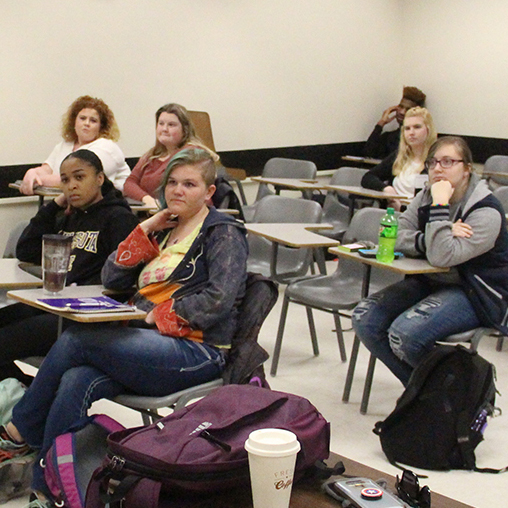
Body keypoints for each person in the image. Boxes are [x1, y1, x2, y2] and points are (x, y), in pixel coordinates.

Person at [0, 148, 248, 506]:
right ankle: (48, 487)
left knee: (78, 340)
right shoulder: (166, 229)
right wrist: (145, 227)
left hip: (196, 349)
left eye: (190, 184)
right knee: (75, 379)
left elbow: (219, 299)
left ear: (209, 192)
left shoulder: (223, 234)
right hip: (147, 344)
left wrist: (157, 314)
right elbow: (112, 276)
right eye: (173, 183)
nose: (177, 191)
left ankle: (20, 428)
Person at [352, 136, 508, 386]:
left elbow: (441, 256)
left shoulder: (485, 211)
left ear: (467, 168)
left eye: (448, 162)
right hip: (431, 281)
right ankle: (426, 394)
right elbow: (397, 236)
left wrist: (439, 206)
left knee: (404, 335)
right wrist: (435, 236)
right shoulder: (426, 193)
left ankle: (460, 391)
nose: (437, 168)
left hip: (474, 292)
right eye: (433, 162)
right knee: (364, 317)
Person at [0, 149, 139, 386]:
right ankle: (29, 390)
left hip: (86, 315)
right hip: (54, 304)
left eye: (79, 177)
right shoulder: (70, 217)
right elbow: (26, 250)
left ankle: (30, 396)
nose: (71, 186)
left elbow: (126, 278)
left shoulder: (118, 218)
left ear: (99, 179)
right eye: (65, 180)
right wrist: (54, 204)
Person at [20, 95, 131, 194]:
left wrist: (37, 180)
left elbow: (76, 180)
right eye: (82, 118)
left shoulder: (107, 148)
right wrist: (32, 172)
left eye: (93, 121)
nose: (86, 123)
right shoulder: (64, 145)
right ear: (74, 122)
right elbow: (46, 169)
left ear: (101, 127)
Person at [123, 103, 218, 209]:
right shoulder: (151, 155)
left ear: (184, 129)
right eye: (161, 124)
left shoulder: (192, 153)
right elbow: (129, 183)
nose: (164, 129)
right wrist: (146, 199)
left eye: (171, 125)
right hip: (151, 212)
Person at [361, 107, 437, 210]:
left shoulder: (437, 162)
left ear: (428, 130)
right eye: (407, 128)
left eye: (417, 127)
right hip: (392, 214)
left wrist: (401, 208)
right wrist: (386, 188)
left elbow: (429, 205)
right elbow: (368, 177)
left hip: (415, 218)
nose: (411, 132)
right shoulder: (399, 156)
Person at [364, 86, 426, 159]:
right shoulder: (389, 137)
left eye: (408, 109)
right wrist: (380, 124)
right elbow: (368, 153)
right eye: (400, 107)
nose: (402, 112)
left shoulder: (417, 139)